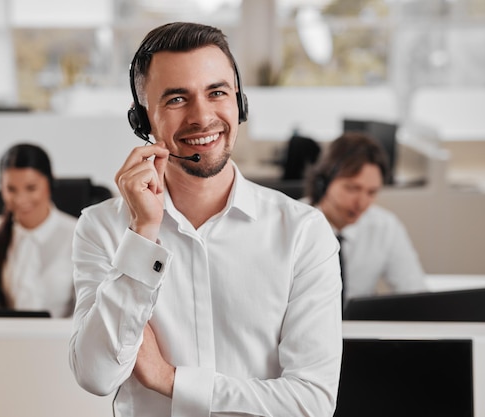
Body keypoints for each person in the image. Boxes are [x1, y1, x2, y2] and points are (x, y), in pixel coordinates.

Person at [69, 22, 342, 417]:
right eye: (177, 99)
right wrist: (142, 236)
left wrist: (168, 378)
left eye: (217, 93)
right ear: (143, 120)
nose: (202, 116)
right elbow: (96, 375)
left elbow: (311, 403)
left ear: (239, 102)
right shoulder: (103, 229)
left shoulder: (302, 232)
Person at [305, 131, 427, 304]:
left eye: (371, 192)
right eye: (352, 188)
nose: (361, 203)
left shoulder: (385, 227)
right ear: (323, 182)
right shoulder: (293, 223)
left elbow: (415, 293)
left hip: (359, 328)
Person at [0, 143, 77, 318]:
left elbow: (86, 315)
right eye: (11, 189)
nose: (20, 199)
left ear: (50, 182)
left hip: (60, 342)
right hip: (1, 340)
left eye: (31, 188)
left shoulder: (79, 235)